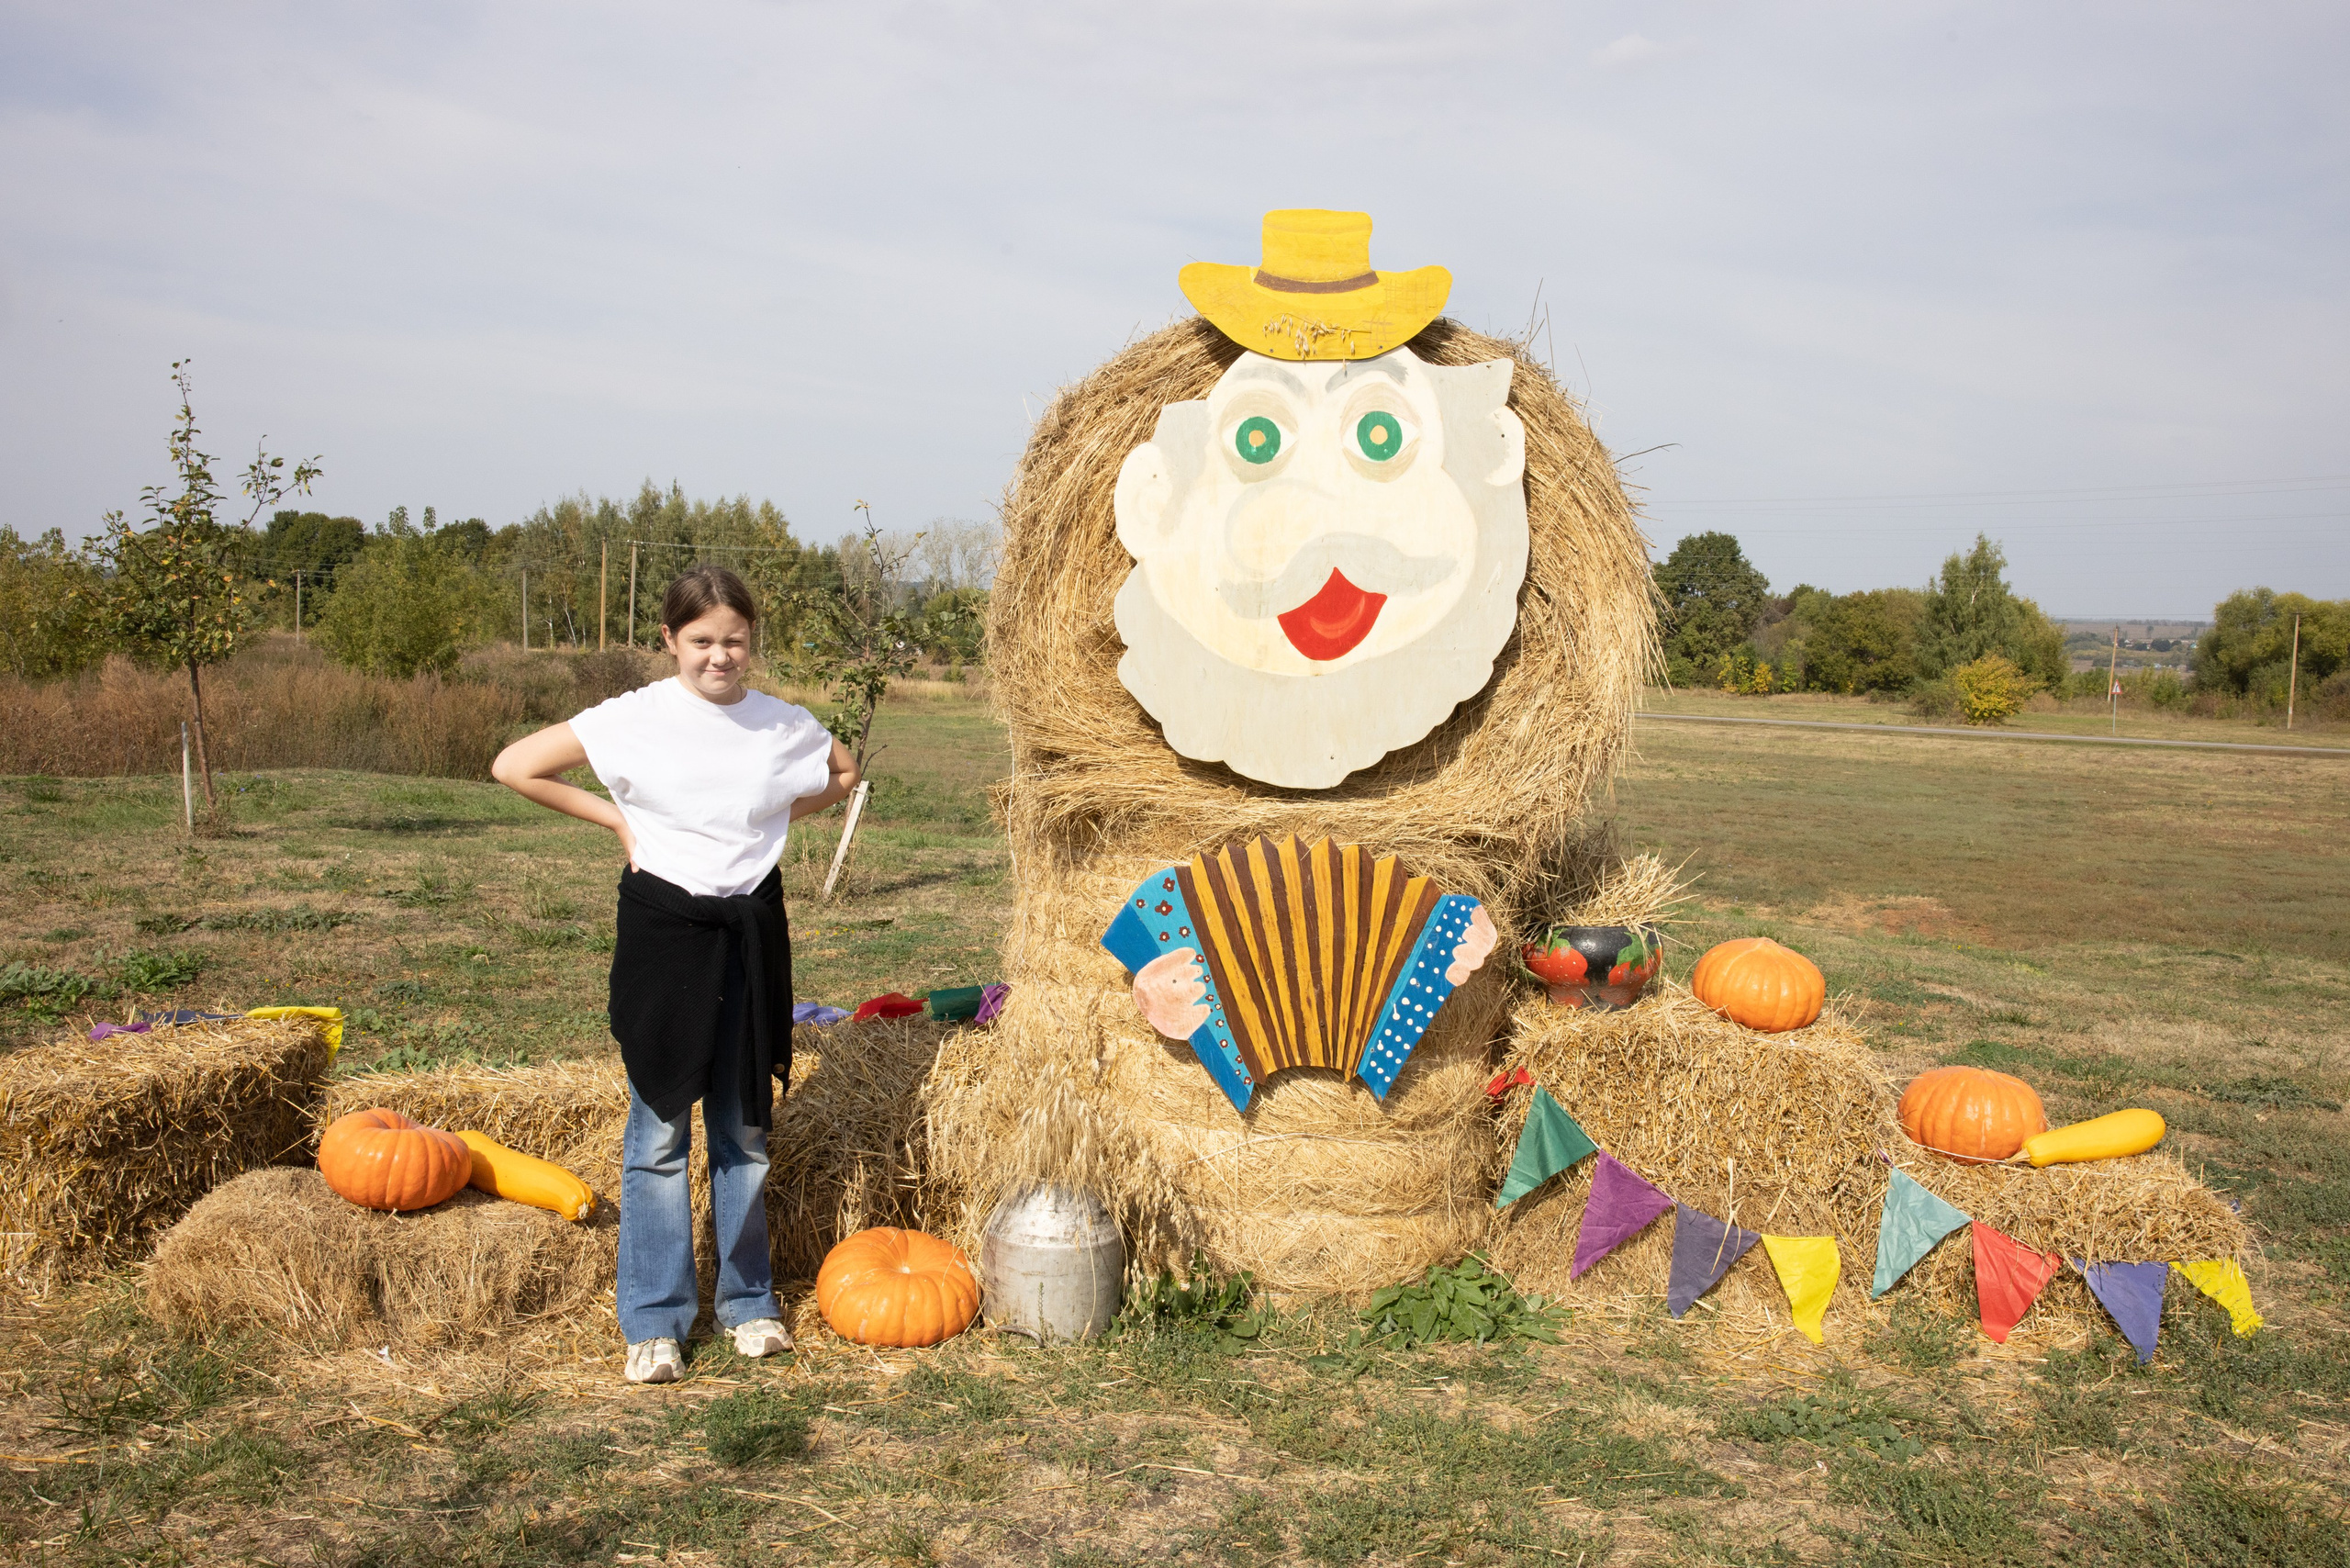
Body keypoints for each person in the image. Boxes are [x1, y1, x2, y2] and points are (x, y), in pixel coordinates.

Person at [491, 564, 857, 1383]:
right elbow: (515, 765)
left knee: (743, 1129)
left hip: (750, 931)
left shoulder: (781, 723)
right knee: (657, 1131)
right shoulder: (631, 719)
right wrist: (615, 818)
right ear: (669, 641)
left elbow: (844, 772)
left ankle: (749, 1302)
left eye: (734, 641)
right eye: (701, 641)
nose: (719, 657)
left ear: (750, 642)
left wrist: (774, 816)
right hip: (665, 932)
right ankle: (654, 1318)